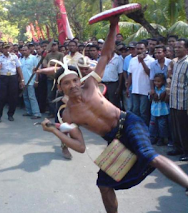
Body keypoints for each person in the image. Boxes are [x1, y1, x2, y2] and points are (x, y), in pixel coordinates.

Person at [39, 16, 188, 213]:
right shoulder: (67, 115)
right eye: (67, 83)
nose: (73, 85)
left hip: (128, 123)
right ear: (60, 87)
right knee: (104, 184)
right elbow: (81, 147)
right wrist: (54, 131)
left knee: (149, 155)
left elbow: (106, 55)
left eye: (75, 80)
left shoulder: (91, 85)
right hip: (114, 140)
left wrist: (112, 24)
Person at [167, 39, 188, 161]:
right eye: (175, 47)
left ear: (186, 49)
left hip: (183, 102)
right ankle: (178, 148)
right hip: (174, 100)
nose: (176, 49)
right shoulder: (176, 62)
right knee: (175, 126)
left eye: (179, 47)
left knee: (183, 128)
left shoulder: (187, 63)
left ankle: (186, 151)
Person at [0, 43, 25, 123]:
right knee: (2, 97)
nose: (7, 50)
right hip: (3, 77)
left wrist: (22, 79)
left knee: (13, 97)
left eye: (8, 48)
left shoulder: (14, 56)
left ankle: (10, 114)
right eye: (5, 48)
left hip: (12, 77)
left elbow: (18, 68)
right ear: (2, 49)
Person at [127, 42, 155, 125]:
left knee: (143, 112)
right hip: (135, 90)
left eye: (141, 49)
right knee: (135, 110)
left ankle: (144, 129)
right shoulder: (132, 60)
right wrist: (128, 88)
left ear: (146, 49)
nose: (139, 50)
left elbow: (150, 73)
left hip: (145, 91)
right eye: (138, 49)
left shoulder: (151, 60)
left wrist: (142, 61)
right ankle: (137, 128)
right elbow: (130, 75)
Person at [20, 46, 41, 119]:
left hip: (31, 81)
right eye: (23, 50)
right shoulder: (22, 59)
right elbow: (21, 71)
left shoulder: (34, 58)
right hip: (24, 81)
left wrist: (36, 80)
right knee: (25, 97)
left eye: (25, 50)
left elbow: (37, 70)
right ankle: (29, 111)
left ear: (29, 50)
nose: (24, 51)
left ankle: (36, 113)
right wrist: (21, 81)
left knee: (32, 97)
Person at [149, 73, 169, 146]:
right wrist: (151, 95)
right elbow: (151, 99)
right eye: (155, 81)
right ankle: (154, 137)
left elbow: (161, 97)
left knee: (162, 126)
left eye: (158, 81)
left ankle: (161, 139)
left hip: (162, 111)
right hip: (154, 111)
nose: (156, 83)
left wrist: (157, 96)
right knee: (153, 125)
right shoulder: (153, 89)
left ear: (163, 82)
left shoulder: (165, 89)